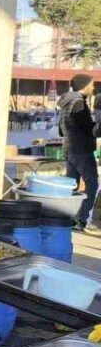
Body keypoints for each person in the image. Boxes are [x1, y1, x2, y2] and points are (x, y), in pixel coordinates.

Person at [58, 73, 99, 232]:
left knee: (70, 185)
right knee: (92, 183)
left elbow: (61, 130)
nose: (93, 88)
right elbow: (86, 128)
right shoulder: (79, 103)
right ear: (84, 86)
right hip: (81, 149)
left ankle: (66, 218)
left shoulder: (66, 102)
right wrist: (97, 128)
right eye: (91, 85)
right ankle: (83, 219)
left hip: (69, 148)